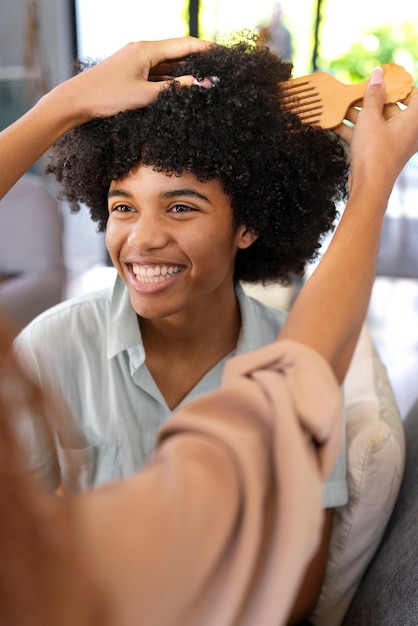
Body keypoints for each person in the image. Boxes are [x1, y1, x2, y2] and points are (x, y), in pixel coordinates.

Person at [0, 35, 417, 625]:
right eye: (122, 206)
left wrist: (62, 106)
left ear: (247, 224)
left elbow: (301, 580)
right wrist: (373, 184)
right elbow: (297, 384)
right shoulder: (51, 351)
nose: (141, 239)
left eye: (181, 206)